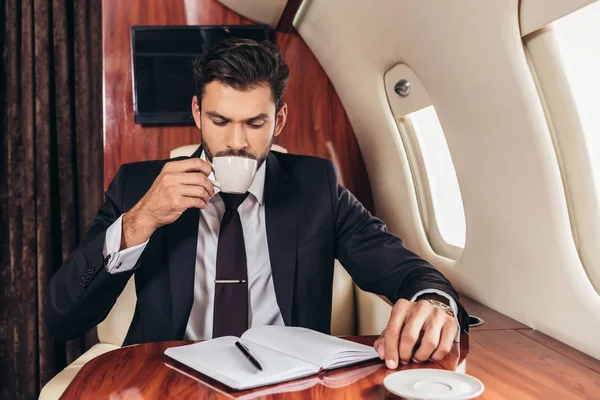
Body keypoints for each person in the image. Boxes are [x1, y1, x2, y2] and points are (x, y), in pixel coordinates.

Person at [44, 38, 468, 370]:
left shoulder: (316, 186)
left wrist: (433, 304)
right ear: (196, 112)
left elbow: (405, 270)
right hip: (170, 376)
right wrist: (140, 221)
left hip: (288, 380)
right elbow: (64, 318)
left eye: (255, 123)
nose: (236, 142)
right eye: (220, 121)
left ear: (278, 120)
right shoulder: (138, 185)